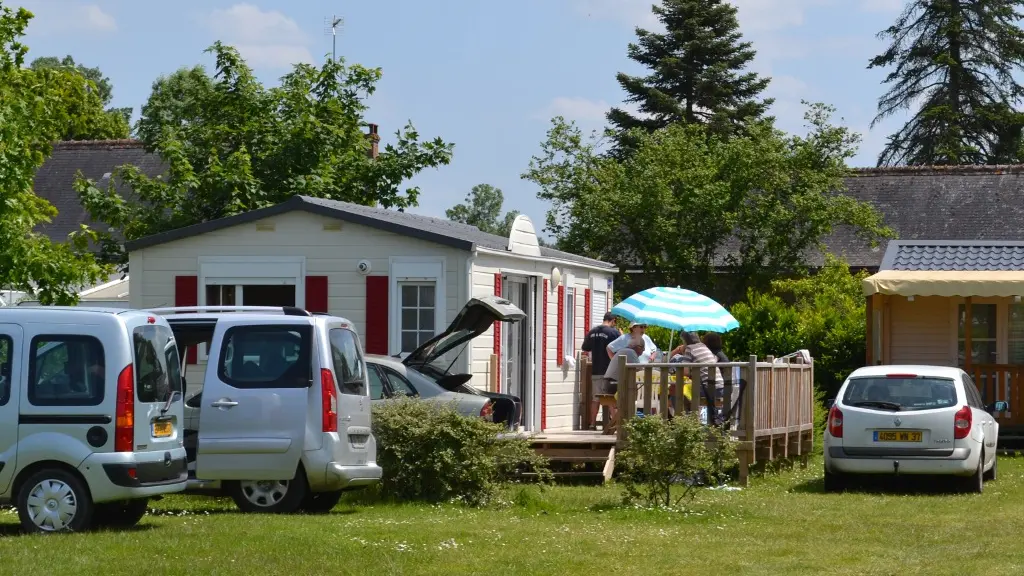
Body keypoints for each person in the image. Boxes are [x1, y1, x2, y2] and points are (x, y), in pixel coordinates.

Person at [581, 312, 621, 428]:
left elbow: (585, 347)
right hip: (610, 370)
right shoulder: (613, 332)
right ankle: (615, 424)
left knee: (595, 399)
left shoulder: (592, 332)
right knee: (610, 398)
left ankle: (592, 424)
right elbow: (622, 346)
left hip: (596, 370)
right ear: (613, 320)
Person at [600, 337, 645, 429]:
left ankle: (631, 421)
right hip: (613, 385)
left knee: (638, 395)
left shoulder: (623, 351)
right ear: (639, 347)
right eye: (643, 349)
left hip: (608, 384)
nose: (643, 352)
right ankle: (639, 421)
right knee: (640, 396)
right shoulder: (631, 352)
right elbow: (641, 371)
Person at [669, 331, 724, 407]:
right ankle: (691, 415)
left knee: (675, 390)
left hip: (707, 389)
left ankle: (685, 417)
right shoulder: (705, 347)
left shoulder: (689, 348)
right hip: (720, 388)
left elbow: (685, 373)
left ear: (685, 341)